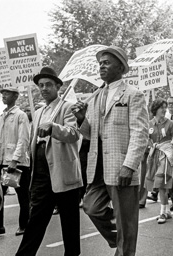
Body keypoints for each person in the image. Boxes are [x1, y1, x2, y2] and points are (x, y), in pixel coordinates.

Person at [72, 46, 148, 256]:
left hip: (121, 167)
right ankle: (121, 239)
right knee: (91, 207)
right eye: (100, 63)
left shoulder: (133, 95)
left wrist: (129, 165)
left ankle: (125, 246)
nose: (101, 66)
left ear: (121, 67)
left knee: (126, 222)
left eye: (106, 62)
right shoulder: (95, 97)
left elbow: (140, 134)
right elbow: (90, 134)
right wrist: (81, 119)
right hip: (98, 168)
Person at [16, 67, 82, 256]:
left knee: (69, 223)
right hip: (41, 174)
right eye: (41, 85)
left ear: (58, 87)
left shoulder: (68, 107)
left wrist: (54, 128)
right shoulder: (38, 112)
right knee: (35, 220)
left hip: (63, 173)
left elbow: (74, 134)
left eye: (48, 85)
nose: (44, 88)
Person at [0, 87, 30, 238]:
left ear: (15, 96)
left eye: (7, 93)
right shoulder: (1, 116)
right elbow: (0, 141)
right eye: (2, 93)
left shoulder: (21, 115)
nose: (4, 96)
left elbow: (23, 139)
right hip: (1, 161)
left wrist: (15, 160)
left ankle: (24, 225)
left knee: (23, 195)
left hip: (17, 163)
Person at [145, 98, 173, 224]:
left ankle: (162, 213)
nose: (164, 110)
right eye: (162, 107)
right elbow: (146, 138)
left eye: (165, 107)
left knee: (161, 183)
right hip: (154, 156)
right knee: (158, 185)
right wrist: (151, 146)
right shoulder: (149, 124)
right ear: (155, 109)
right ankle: (167, 210)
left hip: (166, 155)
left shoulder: (170, 123)